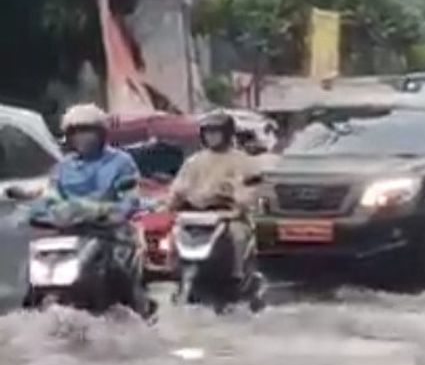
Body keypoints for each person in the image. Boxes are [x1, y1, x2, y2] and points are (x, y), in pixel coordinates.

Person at [37, 103, 154, 317]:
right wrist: (43, 214)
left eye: (87, 131)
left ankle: (139, 313)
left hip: (111, 236)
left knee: (121, 275)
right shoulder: (63, 167)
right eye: (76, 132)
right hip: (69, 237)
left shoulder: (121, 162)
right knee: (33, 275)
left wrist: (103, 211)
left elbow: (129, 200)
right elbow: (49, 200)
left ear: (101, 134)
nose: (82, 138)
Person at [170, 110, 262, 288]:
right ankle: (176, 271)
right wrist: (171, 202)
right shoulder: (194, 161)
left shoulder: (242, 161)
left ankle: (238, 274)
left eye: (215, 132)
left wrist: (239, 204)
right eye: (208, 132)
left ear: (226, 134)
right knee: (174, 234)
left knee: (238, 235)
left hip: (228, 216)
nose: (211, 137)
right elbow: (178, 187)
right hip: (196, 217)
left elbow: (249, 191)